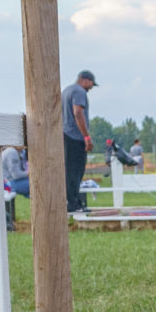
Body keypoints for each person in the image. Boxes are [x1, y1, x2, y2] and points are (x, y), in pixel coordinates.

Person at [61, 69, 96, 216]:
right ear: (85, 80)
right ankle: (73, 203)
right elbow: (78, 112)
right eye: (91, 84)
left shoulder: (66, 91)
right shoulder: (79, 91)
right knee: (75, 172)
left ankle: (69, 201)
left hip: (64, 134)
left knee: (69, 171)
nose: (91, 88)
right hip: (75, 136)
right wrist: (86, 136)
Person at [0, 143, 29, 230]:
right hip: (8, 184)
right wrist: (30, 172)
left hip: (13, 182)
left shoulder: (21, 151)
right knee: (37, 186)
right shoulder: (11, 152)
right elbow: (16, 175)